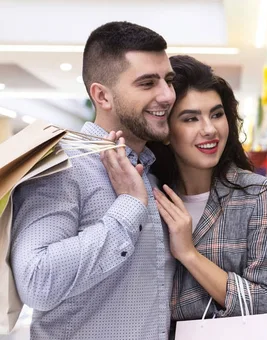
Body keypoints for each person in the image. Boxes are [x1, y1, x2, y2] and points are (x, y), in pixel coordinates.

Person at [10, 21, 176, 339]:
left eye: (168, 80)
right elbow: (36, 281)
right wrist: (128, 206)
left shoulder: (151, 170)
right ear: (102, 95)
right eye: (147, 83)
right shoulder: (63, 165)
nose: (167, 95)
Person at [145, 56, 267, 333]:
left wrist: (189, 254)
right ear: (165, 131)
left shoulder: (258, 196)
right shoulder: (150, 194)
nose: (210, 129)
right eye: (191, 118)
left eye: (216, 114)